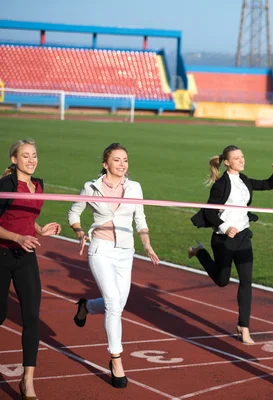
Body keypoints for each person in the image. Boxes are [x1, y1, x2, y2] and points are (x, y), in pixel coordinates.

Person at [68, 143, 159, 389]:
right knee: (113, 305)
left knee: (118, 303)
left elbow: (140, 218)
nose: (122, 165)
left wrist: (147, 245)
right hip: (101, 250)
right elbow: (74, 213)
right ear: (105, 164)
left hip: (125, 252)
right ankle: (116, 360)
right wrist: (79, 232)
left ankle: (86, 306)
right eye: (117, 160)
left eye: (125, 160)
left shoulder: (135, 187)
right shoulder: (91, 187)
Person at [188, 145, 273, 344]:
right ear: (227, 162)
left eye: (242, 157)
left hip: (243, 237)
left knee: (246, 281)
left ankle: (244, 326)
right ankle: (200, 252)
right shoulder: (221, 185)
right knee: (222, 281)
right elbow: (209, 212)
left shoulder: (244, 180)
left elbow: (267, 185)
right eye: (237, 158)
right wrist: (225, 228)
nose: (242, 160)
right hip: (223, 238)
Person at [0, 139, 61, 400]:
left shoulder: (38, 185)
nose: (31, 160)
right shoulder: (4, 186)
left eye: (34, 155)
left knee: (32, 317)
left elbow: (28, 219)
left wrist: (40, 229)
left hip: (26, 256)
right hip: (2, 254)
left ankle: (27, 382)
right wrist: (17, 238)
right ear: (14, 159)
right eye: (25, 156)